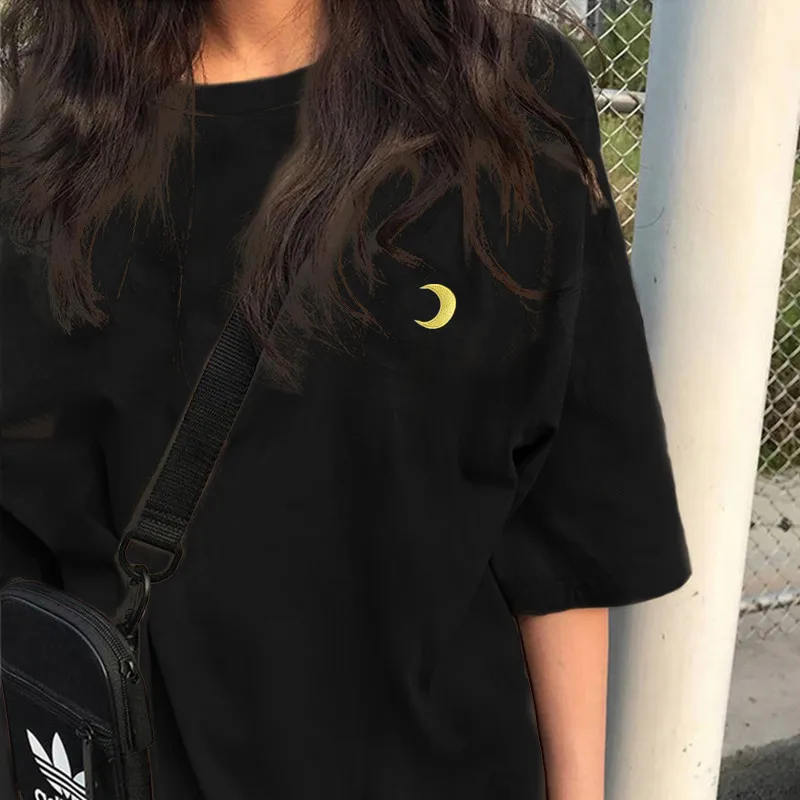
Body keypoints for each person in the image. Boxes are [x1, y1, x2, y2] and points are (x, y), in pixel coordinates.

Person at [0, 1, 692, 799]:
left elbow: (563, 516)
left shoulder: (506, 96)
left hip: (438, 770)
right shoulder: (49, 126)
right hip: (128, 766)